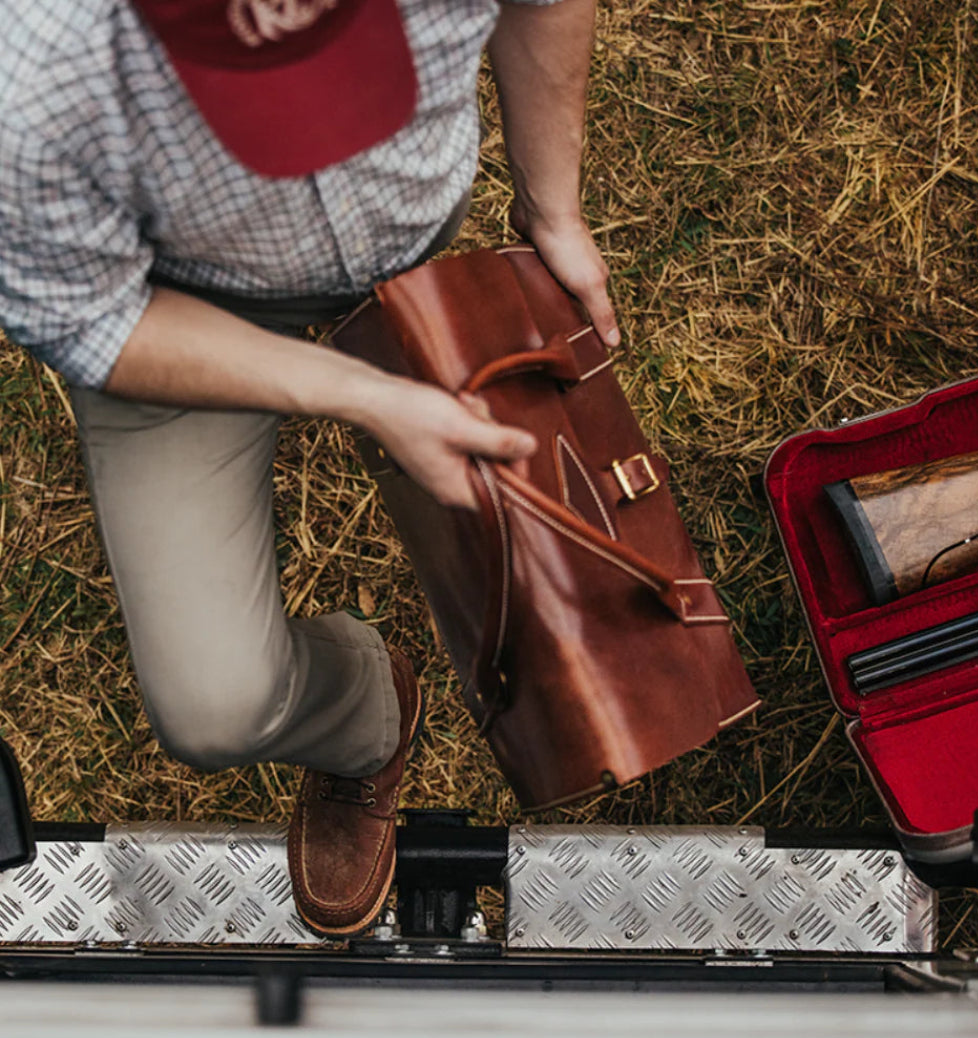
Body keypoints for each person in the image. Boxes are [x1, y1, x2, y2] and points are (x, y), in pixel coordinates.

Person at [0, 0, 618, 935]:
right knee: (215, 707)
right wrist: (363, 395)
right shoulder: (33, 73)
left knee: (579, 555)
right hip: (188, 304)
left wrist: (552, 206)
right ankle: (367, 718)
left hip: (412, 238)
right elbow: (95, 321)